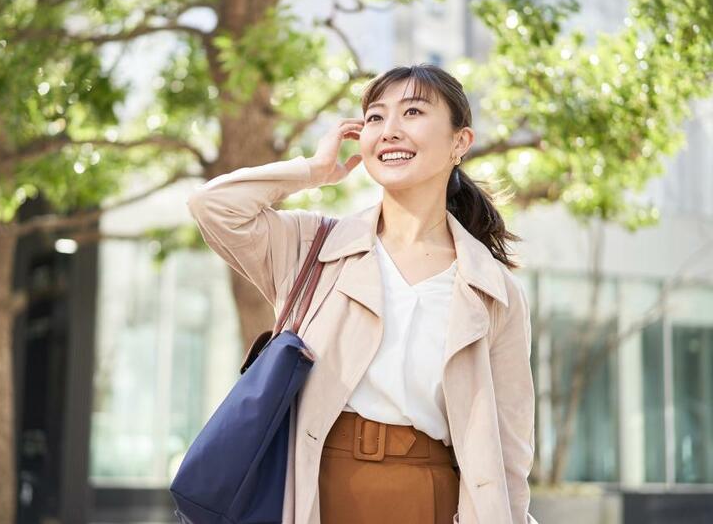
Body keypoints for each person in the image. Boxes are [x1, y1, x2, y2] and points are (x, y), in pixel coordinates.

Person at [186, 64, 538, 524]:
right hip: (313, 487)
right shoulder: (314, 248)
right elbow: (212, 207)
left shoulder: (492, 289)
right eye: (375, 117)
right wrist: (311, 171)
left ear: (459, 143)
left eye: (412, 112)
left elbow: (510, 446)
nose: (389, 131)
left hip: (429, 494)